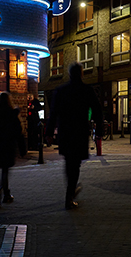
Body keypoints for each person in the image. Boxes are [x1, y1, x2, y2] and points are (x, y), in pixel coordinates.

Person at [48, 62, 104, 209]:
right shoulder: (86, 90)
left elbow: (53, 113)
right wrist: (99, 131)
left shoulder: (61, 91)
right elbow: (97, 111)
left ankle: (70, 191)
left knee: (69, 162)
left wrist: (49, 133)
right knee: (76, 164)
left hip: (65, 132)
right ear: (81, 73)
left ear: (69, 74)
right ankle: (70, 194)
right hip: (79, 131)